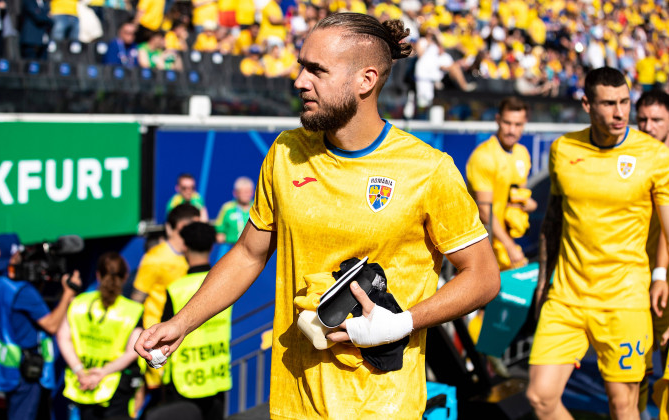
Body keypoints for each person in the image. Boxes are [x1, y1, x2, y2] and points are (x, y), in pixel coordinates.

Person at [136, 13, 500, 419]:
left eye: (316, 70)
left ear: (365, 80)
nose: (299, 82)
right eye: (301, 66)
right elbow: (248, 254)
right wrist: (182, 323)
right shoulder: (285, 153)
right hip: (293, 403)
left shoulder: (428, 169)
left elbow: (483, 277)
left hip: (381, 406)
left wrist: (403, 323)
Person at [528, 67, 669, 420]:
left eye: (624, 102)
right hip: (567, 297)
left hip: (624, 298)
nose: (620, 112)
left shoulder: (653, 155)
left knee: (623, 406)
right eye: (609, 104)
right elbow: (553, 221)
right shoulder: (563, 149)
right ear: (587, 104)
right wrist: (545, 280)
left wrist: (662, 276)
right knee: (540, 397)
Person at [0, 233, 82, 420]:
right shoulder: (23, 291)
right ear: (16, 255)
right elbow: (51, 325)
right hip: (22, 373)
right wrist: (68, 294)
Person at [56, 252, 144, 420]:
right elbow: (133, 351)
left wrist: (80, 371)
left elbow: (63, 337)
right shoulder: (133, 310)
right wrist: (103, 372)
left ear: (98, 275)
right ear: (125, 277)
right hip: (115, 387)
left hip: (83, 383)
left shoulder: (78, 303)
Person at [160, 222, 231, 420]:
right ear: (211, 247)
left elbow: (165, 333)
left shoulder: (176, 288)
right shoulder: (227, 284)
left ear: (184, 246)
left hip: (183, 381)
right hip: (217, 376)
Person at [131, 203, 200, 390]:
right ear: (177, 227)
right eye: (195, 225)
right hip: (158, 336)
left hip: (185, 331)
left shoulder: (193, 256)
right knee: (156, 392)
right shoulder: (155, 258)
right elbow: (136, 300)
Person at [466, 96, 537, 270]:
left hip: (506, 244)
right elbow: (485, 211)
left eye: (518, 124)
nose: (512, 130)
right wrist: (510, 247)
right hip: (482, 246)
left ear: (525, 123)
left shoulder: (522, 154)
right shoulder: (484, 156)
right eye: (507, 123)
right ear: (498, 120)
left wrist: (530, 204)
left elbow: (517, 197)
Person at [635, 89, 669, 417]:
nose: (649, 127)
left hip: (664, 278)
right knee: (638, 367)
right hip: (634, 277)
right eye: (642, 119)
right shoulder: (626, 163)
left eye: (657, 120)